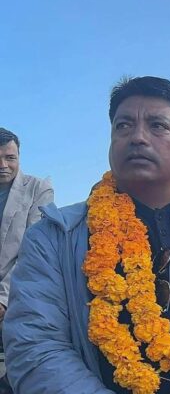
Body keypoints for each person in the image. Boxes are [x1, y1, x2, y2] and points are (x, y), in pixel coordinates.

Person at [2, 77, 170, 393]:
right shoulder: (53, 237)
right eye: (124, 126)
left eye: (157, 126)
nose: (138, 137)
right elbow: (35, 348)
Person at [0, 128, 54, 393]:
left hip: (18, 296)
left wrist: (3, 298)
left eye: (10, 158)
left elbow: (34, 251)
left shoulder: (38, 189)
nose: (3, 165)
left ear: (19, 156)